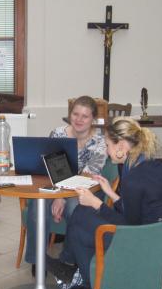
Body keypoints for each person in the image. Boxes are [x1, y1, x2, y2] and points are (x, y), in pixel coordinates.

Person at [48, 117, 162, 289]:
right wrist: (111, 193)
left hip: (152, 244)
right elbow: (135, 211)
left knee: (82, 228)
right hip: (160, 234)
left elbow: (128, 226)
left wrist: (97, 203)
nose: (106, 151)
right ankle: (70, 266)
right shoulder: (146, 164)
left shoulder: (134, 178)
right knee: (81, 212)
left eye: (107, 145)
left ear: (121, 146)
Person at [24, 96, 107, 273]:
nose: (79, 119)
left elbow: (87, 176)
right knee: (37, 204)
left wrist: (61, 198)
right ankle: (37, 260)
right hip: (56, 185)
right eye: (75, 114)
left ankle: (71, 260)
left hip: (86, 189)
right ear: (70, 115)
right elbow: (50, 167)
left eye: (85, 116)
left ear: (93, 119)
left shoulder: (100, 142)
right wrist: (58, 195)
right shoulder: (57, 134)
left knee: (73, 207)